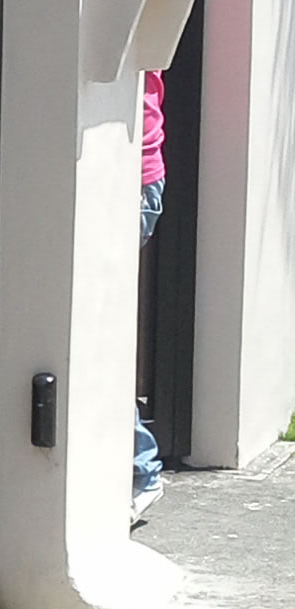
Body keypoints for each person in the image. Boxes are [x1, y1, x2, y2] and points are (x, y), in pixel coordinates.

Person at [133, 70, 165, 524]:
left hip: (133, 175)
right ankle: (140, 470)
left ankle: (141, 471)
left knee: (95, 339)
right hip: (139, 173)